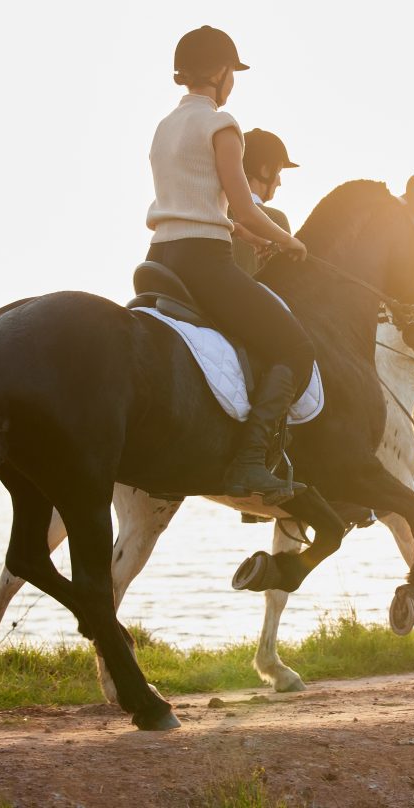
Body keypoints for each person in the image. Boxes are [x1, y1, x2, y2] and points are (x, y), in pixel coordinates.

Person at [145, 26, 313, 505]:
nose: (232, 83)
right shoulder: (223, 125)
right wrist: (290, 242)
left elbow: (198, 204)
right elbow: (243, 206)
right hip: (203, 262)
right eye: (232, 73)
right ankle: (250, 461)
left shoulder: (164, 127)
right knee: (295, 349)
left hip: (159, 257)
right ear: (219, 73)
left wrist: (245, 232)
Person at [231, 128, 298, 277]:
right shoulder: (276, 219)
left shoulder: (217, 212)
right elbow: (285, 279)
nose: (279, 182)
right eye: (278, 173)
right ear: (266, 171)